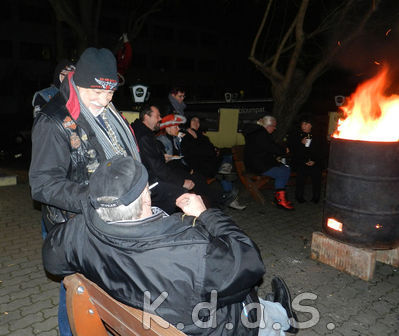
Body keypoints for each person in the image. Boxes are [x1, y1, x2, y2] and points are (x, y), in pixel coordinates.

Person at [42, 155, 299, 336]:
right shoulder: (190, 249)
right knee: (244, 297)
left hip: (143, 317)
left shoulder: (80, 230)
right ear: (145, 195)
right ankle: (281, 316)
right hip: (200, 326)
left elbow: (52, 261)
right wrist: (206, 215)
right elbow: (251, 263)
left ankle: (276, 311)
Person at [29, 47, 141, 335]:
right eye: (96, 93)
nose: (104, 101)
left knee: (107, 291)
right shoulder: (53, 120)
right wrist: (97, 198)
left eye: (111, 94)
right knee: (77, 292)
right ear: (78, 82)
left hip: (111, 220)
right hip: (74, 223)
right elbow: (42, 184)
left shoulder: (107, 110)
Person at [181, 115, 246, 210]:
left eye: (198, 121)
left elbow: (209, 148)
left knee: (226, 152)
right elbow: (194, 153)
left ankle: (229, 196)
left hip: (208, 161)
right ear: (188, 122)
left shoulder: (201, 136)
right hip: (200, 165)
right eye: (193, 120)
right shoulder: (186, 136)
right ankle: (229, 199)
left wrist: (213, 150)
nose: (196, 123)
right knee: (224, 172)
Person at [243, 115, 294, 210]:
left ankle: (279, 198)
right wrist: (284, 150)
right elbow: (271, 147)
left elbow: (268, 147)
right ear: (268, 126)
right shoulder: (260, 134)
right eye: (274, 126)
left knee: (285, 168)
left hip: (258, 163)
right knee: (283, 172)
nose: (274, 129)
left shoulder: (257, 132)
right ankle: (280, 200)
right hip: (257, 166)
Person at [288, 115, 323, 203]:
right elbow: (293, 150)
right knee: (301, 173)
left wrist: (314, 161)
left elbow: (321, 151)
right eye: (302, 124)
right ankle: (299, 196)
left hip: (314, 162)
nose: (303, 126)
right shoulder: (296, 134)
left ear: (311, 125)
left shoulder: (317, 135)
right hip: (301, 161)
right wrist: (301, 143)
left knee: (317, 173)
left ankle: (316, 196)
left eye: (306, 124)